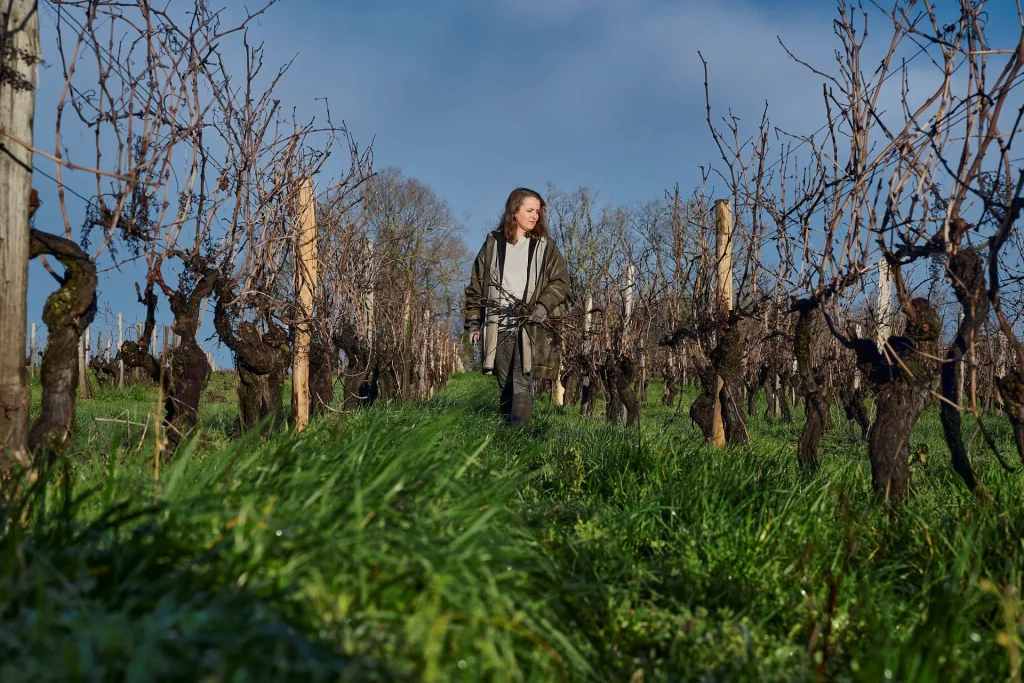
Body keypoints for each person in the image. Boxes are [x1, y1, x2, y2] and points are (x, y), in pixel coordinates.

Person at [464, 188, 569, 426]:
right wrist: (472, 323)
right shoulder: (493, 243)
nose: (535, 216)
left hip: (530, 325)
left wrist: (542, 306)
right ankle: (508, 434)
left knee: (523, 378)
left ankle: (519, 433)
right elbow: (476, 286)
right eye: (529, 210)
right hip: (498, 324)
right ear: (514, 211)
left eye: (538, 211)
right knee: (505, 381)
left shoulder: (546, 246)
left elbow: (560, 281)